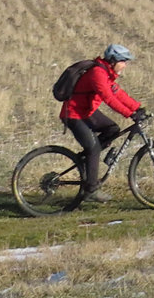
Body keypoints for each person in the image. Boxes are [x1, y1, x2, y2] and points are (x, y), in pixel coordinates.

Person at [61, 43, 146, 194]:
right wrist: (129, 114)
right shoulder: (97, 74)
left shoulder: (106, 73)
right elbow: (108, 98)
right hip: (73, 114)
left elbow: (117, 93)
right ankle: (91, 190)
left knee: (112, 130)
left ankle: (87, 159)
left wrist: (137, 107)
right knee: (93, 148)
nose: (125, 66)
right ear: (113, 61)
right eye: (123, 62)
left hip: (86, 112)